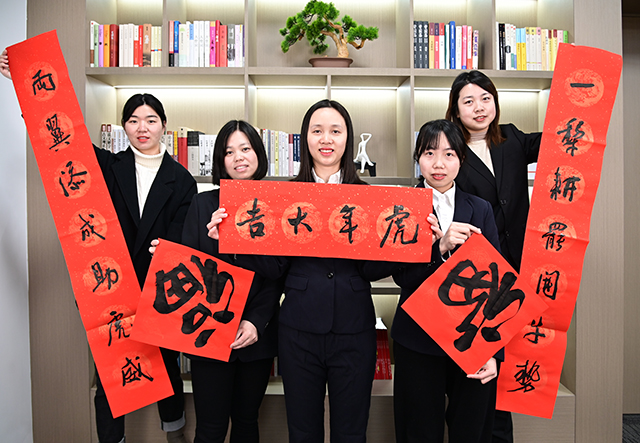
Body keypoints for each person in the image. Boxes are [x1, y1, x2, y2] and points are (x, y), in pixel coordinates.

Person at [1, 50, 193, 443]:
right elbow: (59, 141)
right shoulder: (106, 165)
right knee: (111, 376)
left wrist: (169, 246)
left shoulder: (182, 179)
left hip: (159, 293)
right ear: (124, 127)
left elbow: (182, 236)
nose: (142, 127)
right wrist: (23, 84)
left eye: (151, 120)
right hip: (111, 291)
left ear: (164, 126)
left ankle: (175, 435)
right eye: (133, 120)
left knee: (168, 370)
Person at [445, 70, 542, 442]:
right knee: (480, 366)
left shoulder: (512, 138)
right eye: (468, 101)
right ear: (455, 109)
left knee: (508, 365)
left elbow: (557, 142)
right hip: (477, 279)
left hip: (520, 271)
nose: (479, 107)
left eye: (486, 98)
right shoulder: (451, 153)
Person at [391, 119, 501, 443]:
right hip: (417, 339)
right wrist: (438, 248)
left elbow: (496, 283)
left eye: (449, 154)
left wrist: (492, 351)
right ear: (418, 158)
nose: (438, 163)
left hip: (472, 339)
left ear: (461, 159)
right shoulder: (402, 208)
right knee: (418, 431)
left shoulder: (480, 208)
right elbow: (400, 276)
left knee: (471, 430)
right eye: (429, 153)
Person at [174, 120, 281, 443]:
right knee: (210, 427)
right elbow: (190, 270)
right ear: (220, 160)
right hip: (208, 331)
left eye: (245, 149)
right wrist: (218, 242)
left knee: (247, 421)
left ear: (259, 154)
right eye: (229, 152)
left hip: (255, 334)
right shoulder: (202, 204)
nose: (239, 158)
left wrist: (256, 321)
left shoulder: (276, 205)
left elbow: (277, 274)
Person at [278, 99, 378, 443]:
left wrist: (418, 240)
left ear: (348, 138)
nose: (326, 139)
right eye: (317, 130)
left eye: (335, 131)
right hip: (298, 328)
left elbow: (374, 269)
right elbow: (275, 267)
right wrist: (232, 238)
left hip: (354, 329)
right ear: (304, 138)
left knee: (351, 432)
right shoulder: (285, 195)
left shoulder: (368, 197)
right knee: (302, 431)